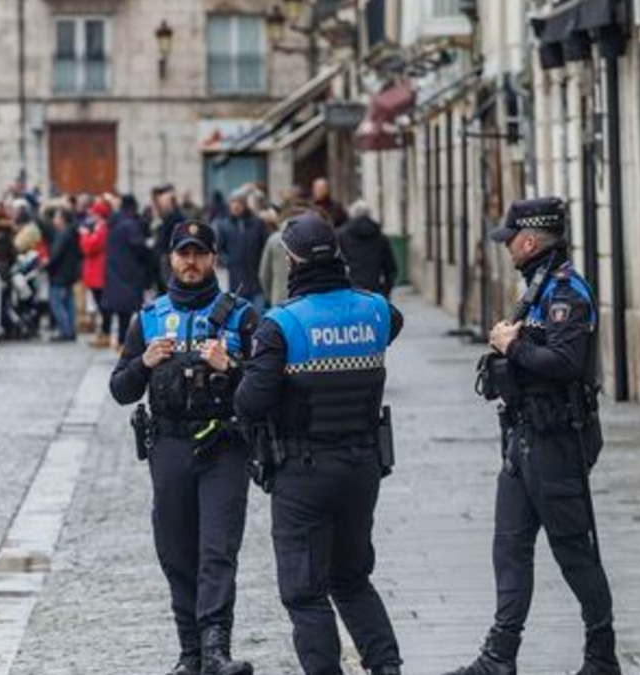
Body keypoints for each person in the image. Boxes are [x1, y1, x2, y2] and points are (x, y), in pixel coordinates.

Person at [444, 197, 619, 675]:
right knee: (509, 545)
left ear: (528, 241)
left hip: (558, 440)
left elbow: (565, 364)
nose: (507, 250)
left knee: (572, 549)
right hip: (523, 437)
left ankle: (602, 656)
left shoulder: (566, 293)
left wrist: (512, 344)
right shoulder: (537, 288)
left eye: (510, 242)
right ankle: (499, 657)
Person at [235, 212, 404, 675]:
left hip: (303, 471)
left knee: (305, 592)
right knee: (352, 579)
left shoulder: (281, 325)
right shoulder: (375, 310)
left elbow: (250, 403)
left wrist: (240, 369)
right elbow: (395, 323)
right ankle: (387, 668)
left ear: (291, 260)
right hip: (363, 466)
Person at [110, 220, 259, 675]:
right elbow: (120, 389)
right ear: (170, 259)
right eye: (183, 253)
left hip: (225, 447)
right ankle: (190, 653)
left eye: (199, 253)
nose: (191, 262)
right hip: (170, 446)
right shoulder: (149, 318)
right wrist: (144, 361)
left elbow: (266, 388)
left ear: (214, 258)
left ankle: (216, 651)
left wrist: (231, 366)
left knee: (217, 549)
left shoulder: (242, 315)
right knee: (176, 551)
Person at [101, 194, 151, 348]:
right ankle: (123, 341)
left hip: (115, 271)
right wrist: (149, 250)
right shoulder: (129, 225)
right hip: (129, 273)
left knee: (122, 309)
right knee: (126, 310)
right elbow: (139, 248)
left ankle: (120, 340)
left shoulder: (114, 223)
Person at [213, 188, 268, 312]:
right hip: (235, 283)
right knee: (239, 319)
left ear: (244, 204)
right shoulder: (224, 225)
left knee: (258, 319)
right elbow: (219, 250)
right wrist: (228, 261)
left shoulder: (258, 223)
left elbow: (266, 248)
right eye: (233, 202)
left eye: (239, 202)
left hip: (256, 282)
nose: (236, 206)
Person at [337, 200, 397, 298]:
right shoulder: (381, 237)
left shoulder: (340, 236)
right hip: (375, 291)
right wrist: (385, 292)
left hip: (350, 291)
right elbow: (391, 269)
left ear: (352, 215)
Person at [46, 207, 84, 341]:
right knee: (68, 304)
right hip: (69, 275)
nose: (54, 220)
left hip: (59, 275)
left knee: (57, 304)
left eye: (56, 217)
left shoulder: (63, 234)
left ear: (62, 219)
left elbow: (56, 256)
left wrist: (47, 265)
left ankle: (65, 331)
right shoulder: (72, 232)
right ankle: (71, 331)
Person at [80, 198, 111, 347]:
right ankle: (104, 333)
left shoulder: (101, 228)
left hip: (97, 272)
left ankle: (105, 333)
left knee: (102, 305)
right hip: (96, 272)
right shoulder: (100, 227)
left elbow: (89, 248)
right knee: (101, 304)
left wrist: (84, 235)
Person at [258, 207, 290, 307]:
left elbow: (263, 275)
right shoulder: (312, 239)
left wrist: (269, 297)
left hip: (279, 300)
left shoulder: (274, 239)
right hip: (305, 302)